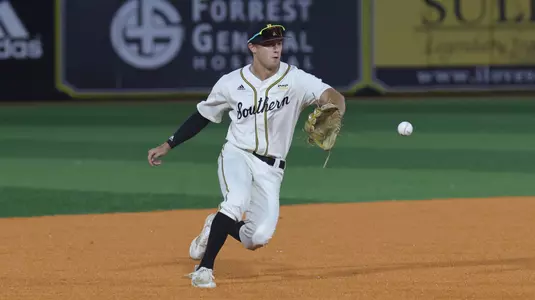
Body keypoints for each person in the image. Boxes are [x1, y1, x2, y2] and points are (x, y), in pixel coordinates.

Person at [147, 22, 346, 288]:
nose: (276, 50)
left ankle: (214, 223)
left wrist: (335, 108)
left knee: (257, 238)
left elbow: (333, 95)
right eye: (268, 45)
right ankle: (204, 269)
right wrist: (169, 144)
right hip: (237, 154)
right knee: (236, 201)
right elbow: (202, 116)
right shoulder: (230, 83)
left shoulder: (295, 78)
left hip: (272, 169)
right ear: (252, 47)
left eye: (279, 44)